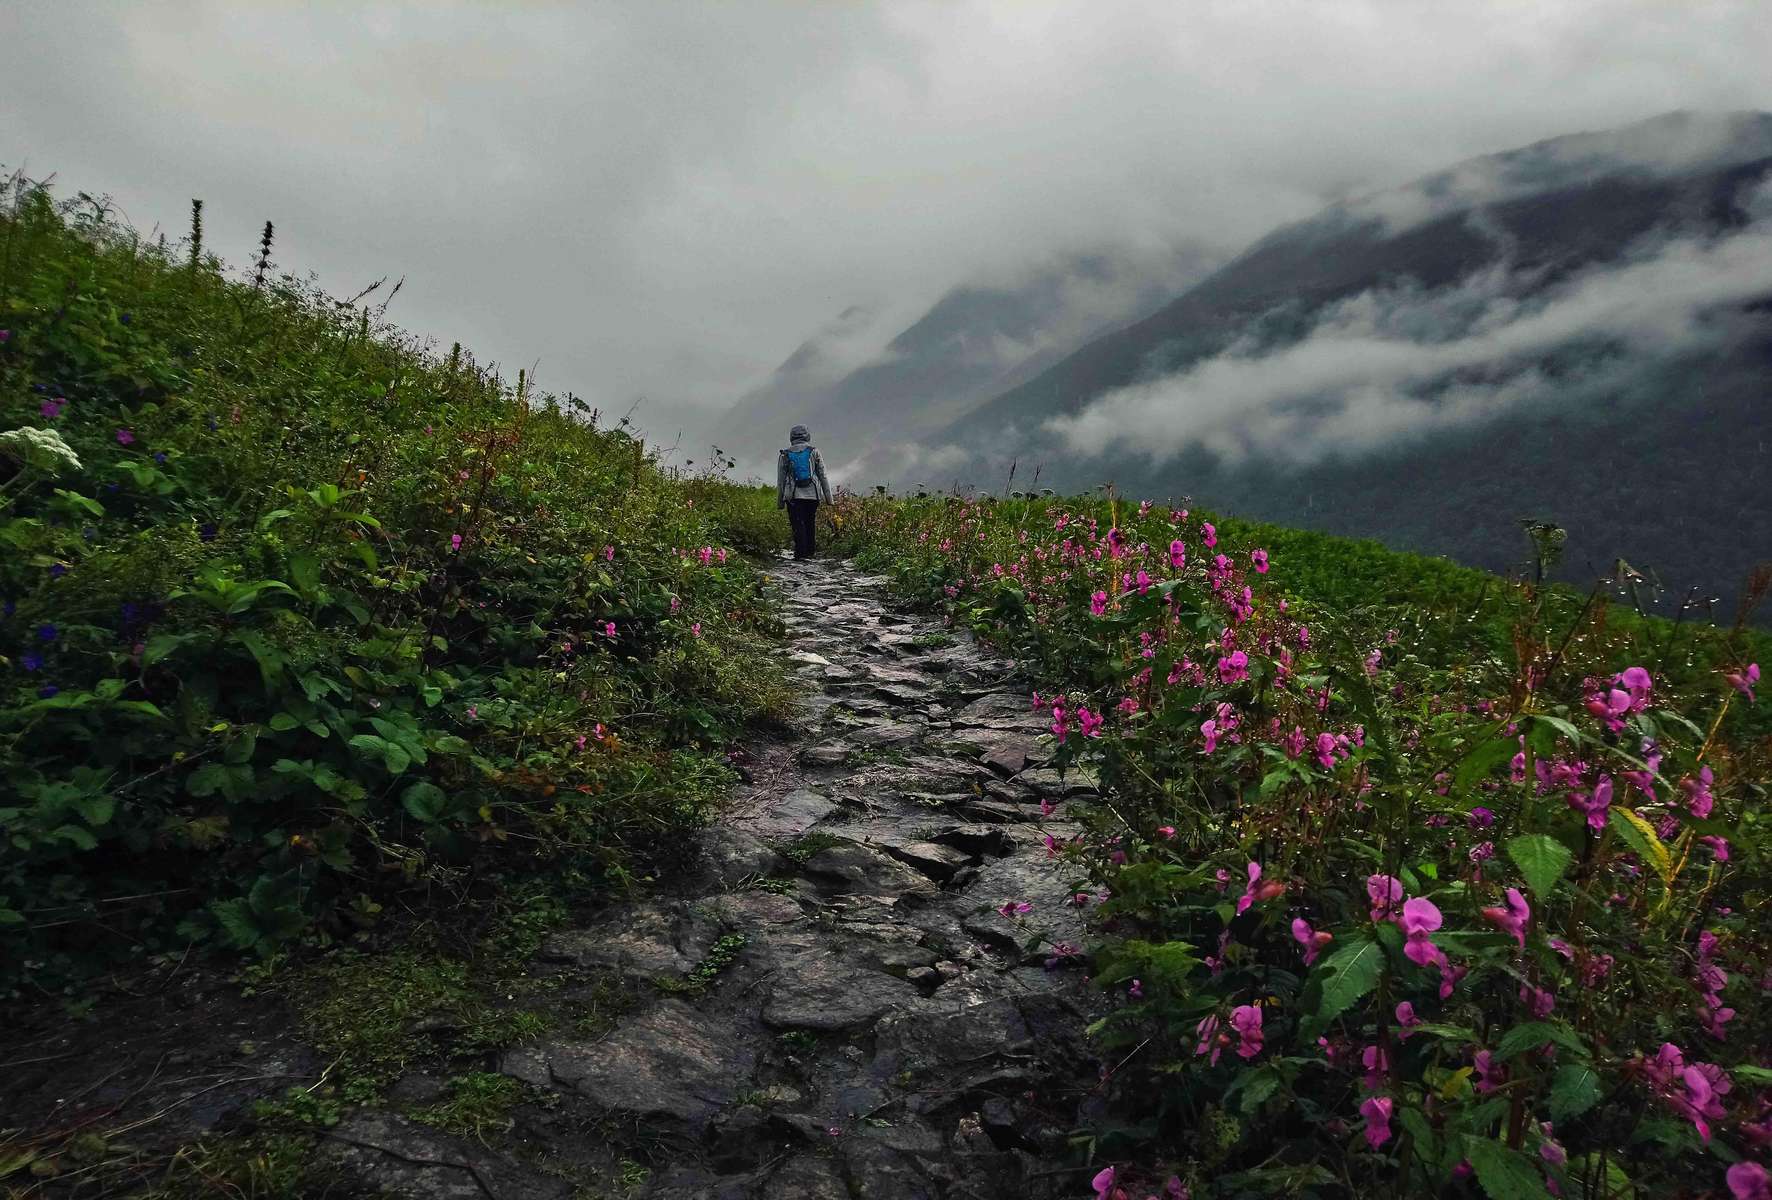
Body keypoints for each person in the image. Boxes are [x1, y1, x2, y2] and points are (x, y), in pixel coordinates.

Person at [777, 424, 832, 560]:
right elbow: (823, 476)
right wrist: (829, 499)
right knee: (810, 522)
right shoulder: (814, 451)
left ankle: (800, 554)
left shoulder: (785, 454)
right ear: (807, 436)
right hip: (813, 496)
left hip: (794, 496)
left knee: (798, 523)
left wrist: (780, 502)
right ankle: (810, 552)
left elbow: (781, 480)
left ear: (791, 437)